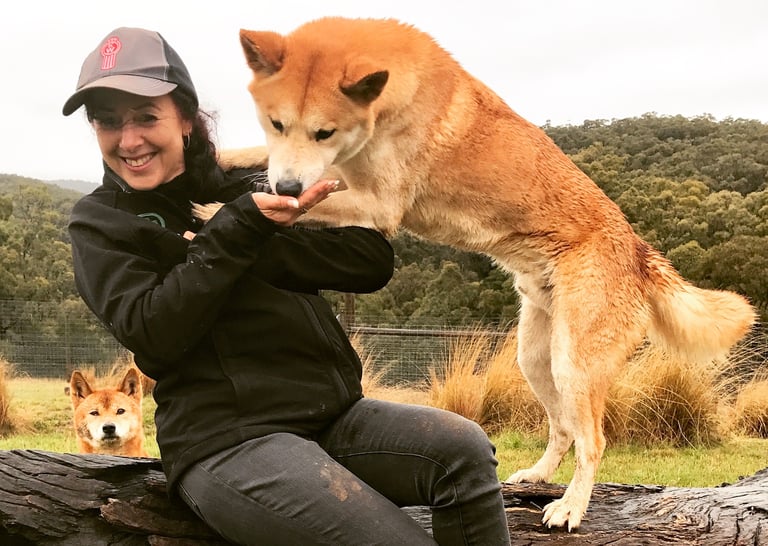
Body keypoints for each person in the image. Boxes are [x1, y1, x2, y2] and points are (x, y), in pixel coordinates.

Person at [63, 26, 511, 546]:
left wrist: (248, 236)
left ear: (184, 118)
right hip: (228, 443)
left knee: (462, 449)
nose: (130, 139)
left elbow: (369, 260)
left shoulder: (251, 183)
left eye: (146, 117)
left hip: (333, 416)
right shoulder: (101, 224)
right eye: (108, 122)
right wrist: (236, 231)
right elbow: (154, 330)